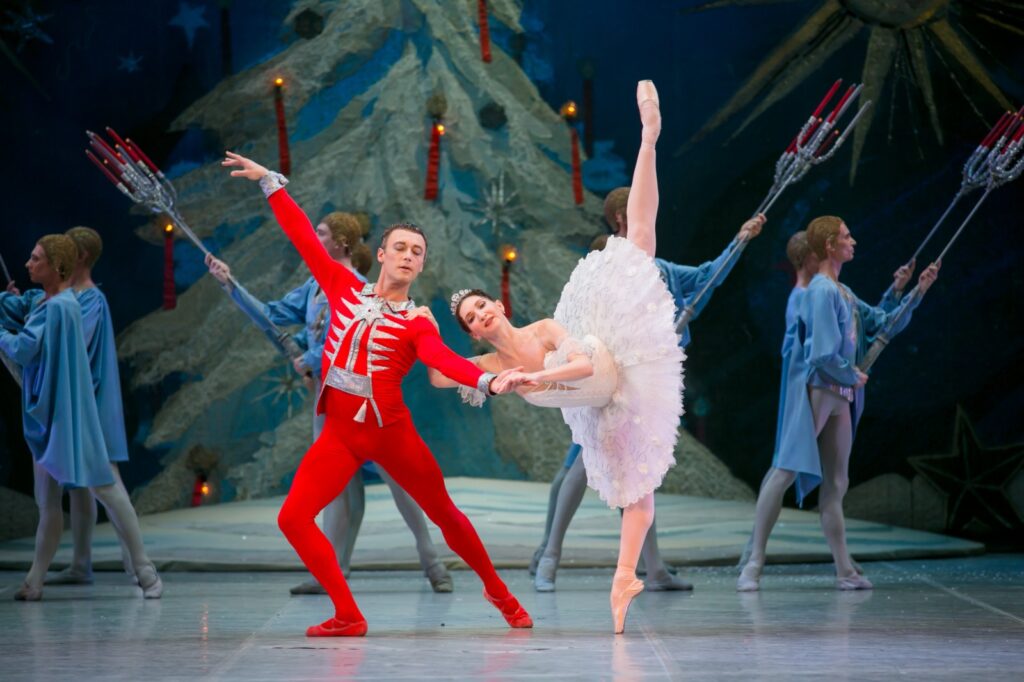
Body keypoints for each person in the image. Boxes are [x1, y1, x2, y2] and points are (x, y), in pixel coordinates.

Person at [222, 150, 531, 637]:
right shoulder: (341, 286)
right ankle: (347, 613)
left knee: (445, 514)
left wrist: (488, 381)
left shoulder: (417, 321)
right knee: (293, 518)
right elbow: (303, 236)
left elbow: (442, 359)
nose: (408, 255)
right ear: (381, 254)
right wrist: (270, 183)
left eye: (417, 252)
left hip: (391, 434)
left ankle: (498, 591)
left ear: (421, 266)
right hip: (339, 434)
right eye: (400, 247)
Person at [435, 81, 684, 633]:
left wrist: (534, 379)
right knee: (636, 488)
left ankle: (649, 137)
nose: (481, 315)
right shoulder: (492, 369)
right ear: (474, 332)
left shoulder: (544, 329)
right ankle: (624, 578)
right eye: (472, 318)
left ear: (499, 305)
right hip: (600, 404)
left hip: (605, 355)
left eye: (482, 306)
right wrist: (424, 331)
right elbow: (437, 375)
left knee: (641, 242)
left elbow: (584, 366)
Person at [528, 154, 765, 596]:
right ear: (624, 216)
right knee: (582, 464)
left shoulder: (660, 269)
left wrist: (739, 241)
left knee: (641, 474)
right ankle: (550, 557)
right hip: (608, 380)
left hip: (643, 384)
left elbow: (708, 279)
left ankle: (652, 569)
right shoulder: (603, 266)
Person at [204, 213, 454, 595]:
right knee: (339, 488)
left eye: (320, 233)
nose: (314, 238)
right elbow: (271, 316)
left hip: (366, 400)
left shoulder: (358, 290)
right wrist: (230, 284)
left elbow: (355, 343)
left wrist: (310, 357)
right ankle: (334, 570)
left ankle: (432, 560)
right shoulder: (313, 288)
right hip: (330, 400)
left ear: (341, 242)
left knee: (400, 481)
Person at [736, 216, 939, 591]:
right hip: (820, 391)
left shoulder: (842, 291)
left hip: (840, 396)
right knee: (786, 469)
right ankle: (753, 561)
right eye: (846, 237)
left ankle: (844, 570)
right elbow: (820, 354)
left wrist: (911, 292)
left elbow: (881, 323)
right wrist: (850, 373)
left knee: (837, 482)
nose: (853, 241)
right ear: (829, 246)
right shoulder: (818, 292)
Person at [0, 235, 162, 601]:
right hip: (52, 416)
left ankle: (144, 569)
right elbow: (26, 310)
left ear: (57, 266)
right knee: (51, 501)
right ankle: (35, 581)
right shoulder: (53, 303)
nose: (28, 264)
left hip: (68, 416)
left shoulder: (65, 306)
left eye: (35, 259)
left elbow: (24, 348)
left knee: (103, 488)